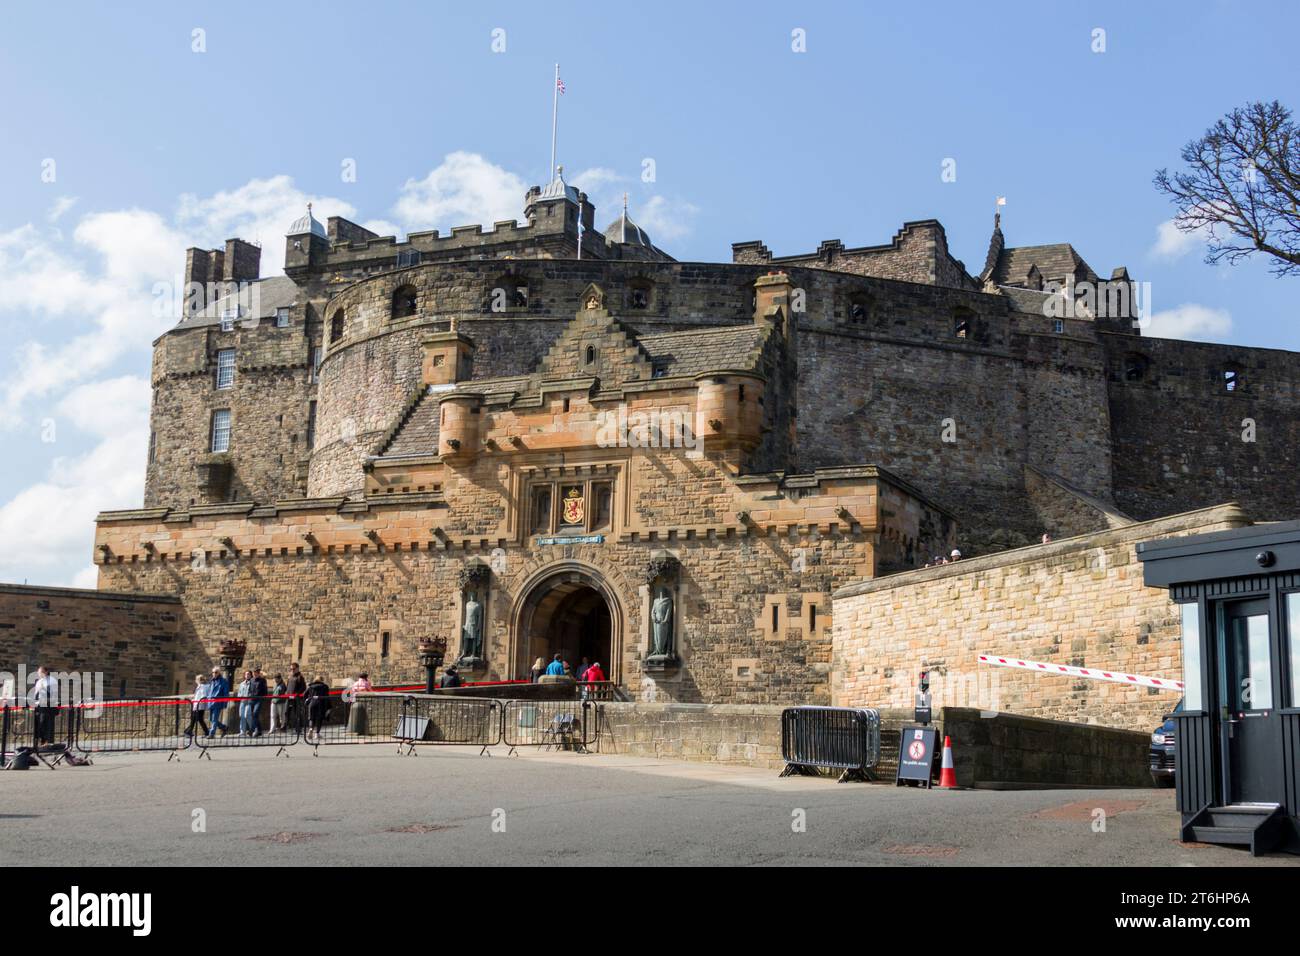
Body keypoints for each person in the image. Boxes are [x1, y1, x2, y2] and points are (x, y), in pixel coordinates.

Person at [30, 665, 59, 745]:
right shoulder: (39, 681)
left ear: (46, 672)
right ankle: (42, 741)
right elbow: (36, 693)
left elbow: (54, 693)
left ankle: (49, 741)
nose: (39, 674)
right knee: (40, 723)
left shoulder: (52, 681)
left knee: (48, 724)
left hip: (49, 705)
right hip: (40, 704)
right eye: (39, 672)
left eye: (41, 672)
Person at [304, 675, 332, 742]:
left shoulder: (310, 686)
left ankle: (311, 729)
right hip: (321, 704)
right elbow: (327, 697)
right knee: (319, 719)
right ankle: (317, 733)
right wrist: (329, 706)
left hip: (312, 704)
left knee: (311, 718)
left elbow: (305, 695)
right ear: (322, 680)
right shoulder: (325, 687)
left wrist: (307, 702)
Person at [205, 667, 230, 737]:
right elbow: (209, 692)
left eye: (216, 672)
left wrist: (225, 703)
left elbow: (226, 693)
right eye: (213, 672)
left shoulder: (223, 681)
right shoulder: (212, 681)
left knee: (214, 718)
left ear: (219, 673)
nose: (214, 674)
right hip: (211, 702)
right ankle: (224, 727)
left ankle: (211, 733)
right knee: (211, 719)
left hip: (218, 702)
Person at [285, 662, 307, 732]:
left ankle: (298, 728)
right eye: (291, 669)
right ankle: (287, 726)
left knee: (297, 713)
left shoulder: (300, 677)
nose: (292, 670)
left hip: (296, 698)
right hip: (289, 698)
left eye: (293, 669)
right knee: (286, 712)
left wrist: (297, 694)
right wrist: (287, 693)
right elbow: (288, 687)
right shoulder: (290, 676)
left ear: (297, 668)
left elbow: (303, 687)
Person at [249, 667, 269, 737]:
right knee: (253, 715)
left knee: (255, 714)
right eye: (254, 672)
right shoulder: (251, 680)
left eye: (256, 672)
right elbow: (250, 689)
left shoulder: (262, 680)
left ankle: (256, 729)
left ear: (258, 673)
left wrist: (264, 697)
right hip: (252, 699)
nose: (254, 673)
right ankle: (259, 730)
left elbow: (265, 689)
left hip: (259, 699)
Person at [236, 670, 255, 736]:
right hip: (242, 701)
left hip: (248, 701)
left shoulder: (252, 683)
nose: (247, 675)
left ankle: (252, 729)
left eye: (248, 674)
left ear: (251, 675)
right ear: (244, 675)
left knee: (247, 715)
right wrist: (239, 696)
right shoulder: (242, 684)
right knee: (241, 716)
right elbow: (239, 692)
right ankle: (242, 731)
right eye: (246, 674)